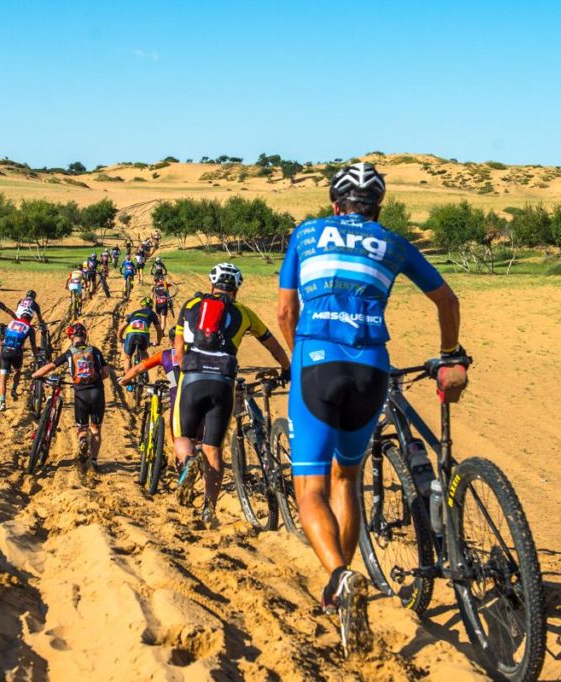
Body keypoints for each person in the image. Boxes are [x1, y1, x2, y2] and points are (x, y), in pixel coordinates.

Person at [276, 161, 465, 656]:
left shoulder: (306, 233)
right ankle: (349, 577)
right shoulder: (393, 242)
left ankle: (339, 576)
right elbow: (448, 301)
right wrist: (449, 353)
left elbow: (285, 311)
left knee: (310, 487)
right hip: (372, 368)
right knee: (348, 478)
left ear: (334, 204)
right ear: (377, 208)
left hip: (317, 360)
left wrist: (299, 358)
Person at [173, 264, 291, 529]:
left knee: (183, 438)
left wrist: (186, 369)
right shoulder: (244, 313)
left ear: (212, 284)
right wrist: (286, 368)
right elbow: (272, 345)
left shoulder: (190, 305)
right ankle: (209, 509)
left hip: (192, 378)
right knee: (213, 448)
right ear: (236, 288)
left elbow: (178, 351)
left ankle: (190, 462)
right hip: (223, 381)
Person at [31, 322, 114, 472]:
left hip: (80, 394)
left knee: (82, 428)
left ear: (71, 337)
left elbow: (52, 366)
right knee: (96, 430)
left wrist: (35, 375)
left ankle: (82, 440)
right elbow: (106, 373)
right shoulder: (95, 351)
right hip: (97, 393)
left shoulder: (70, 352)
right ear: (85, 336)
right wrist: (95, 381)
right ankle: (94, 461)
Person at [119, 326, 180, 454]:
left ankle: (179, 458)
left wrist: (125, 379)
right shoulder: (197, 355)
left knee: (173, 431)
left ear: (171, 341)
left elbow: (138, 368)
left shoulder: (165, 355)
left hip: (178, 399)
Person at [0, 310, 39, 411]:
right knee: (18, 371)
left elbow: (2, 337)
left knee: (2, 379)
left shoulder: (11, 323)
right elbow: (33, 345)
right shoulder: (30, 328)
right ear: (30, 318)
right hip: (17, 352)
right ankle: (14, 389)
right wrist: (36, 356)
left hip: (5, 351)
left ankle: (2, 403)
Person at [117, 296, 163, 377]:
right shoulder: (152, 313)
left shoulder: (134, 313)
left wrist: (120, 338)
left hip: (131, 334)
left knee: (128, 357)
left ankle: (128, 379)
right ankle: (144, 372)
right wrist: (158, 341)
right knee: (144, 353)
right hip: (143, 334)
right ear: (151, 307)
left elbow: (121, 328)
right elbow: (159, 330)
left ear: (141, 306)